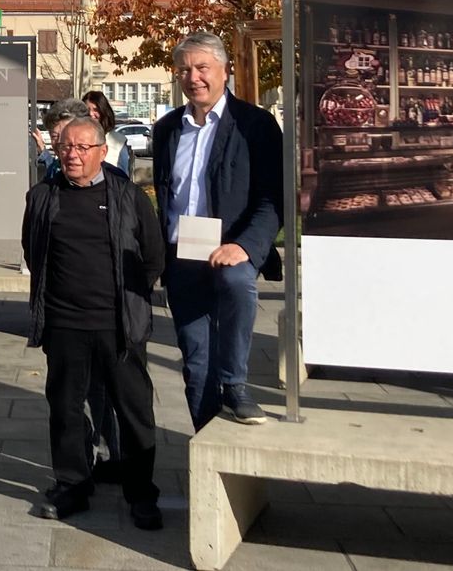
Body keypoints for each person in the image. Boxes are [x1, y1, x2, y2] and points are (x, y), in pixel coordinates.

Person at [22, 117, 165, 529]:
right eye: (65, 146)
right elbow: (34, 252)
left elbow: (153, 255)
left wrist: (128, 299)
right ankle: (72, 485)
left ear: (103, 152)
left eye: (83, 147)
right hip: (65, 323)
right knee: (65, 408)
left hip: (119, 325)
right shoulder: (43, 197)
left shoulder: (128, 195)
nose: (72, 154)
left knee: (133, 409)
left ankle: (141, 493)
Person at [152, 31, 284, 431]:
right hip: (182, 256)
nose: (194, 77)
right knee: (195, 363)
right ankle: (209, 443)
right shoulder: (167, 129)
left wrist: (244, 246)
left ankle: (236, 383)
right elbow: (165, 195)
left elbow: (273, 197)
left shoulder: (255, 125)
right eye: (185, 70)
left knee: (238, 282)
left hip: (233, 248)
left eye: (202, 67)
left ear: (225, 71)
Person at [31, 99, 90, 179]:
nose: (59, 142)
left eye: (65, 135)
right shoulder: (55, 170)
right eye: (54, 136)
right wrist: (42, 150)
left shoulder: (108, 179)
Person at [83, 90, 132, 177]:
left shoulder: (118, 142)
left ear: (103, 111)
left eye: (95, 110)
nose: (91, 114)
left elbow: (124, 178)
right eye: (87, 110)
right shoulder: (75, 140)